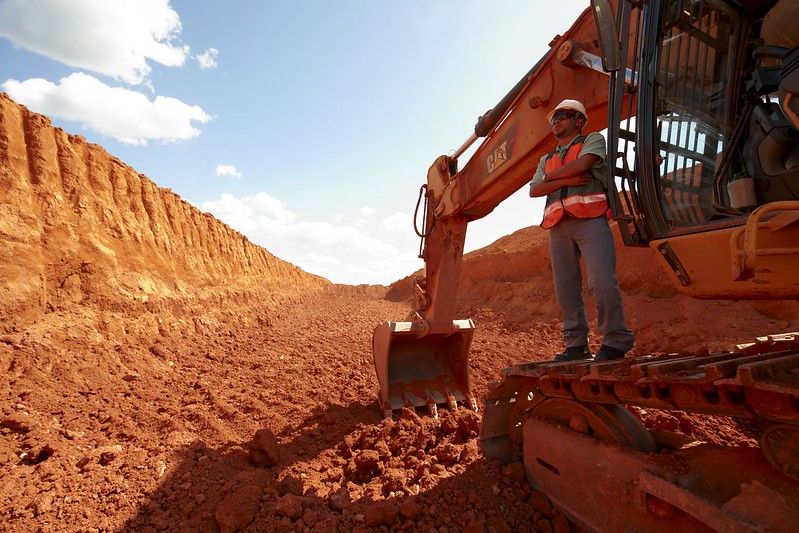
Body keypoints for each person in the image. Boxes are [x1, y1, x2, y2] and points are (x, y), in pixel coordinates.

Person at [529, 99, 634, 362]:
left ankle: (615, 340)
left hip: (591, 220)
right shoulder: (547, 158)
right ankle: (576, 345)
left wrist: (552, 178)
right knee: (565, 288)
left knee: (601, 281)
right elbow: (534, 189)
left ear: (579, 120)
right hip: (557, 226)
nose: (557, 120)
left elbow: (584, 164)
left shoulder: (593, 140)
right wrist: (565, 179)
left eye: (564, 115)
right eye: (554, 117)